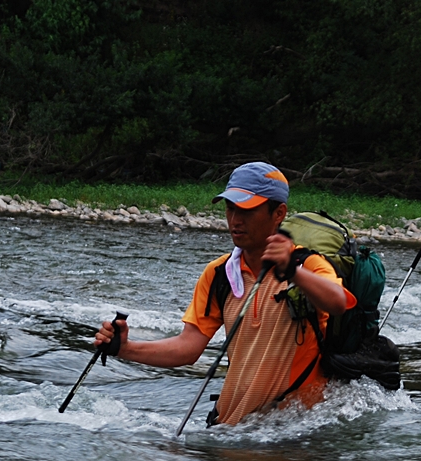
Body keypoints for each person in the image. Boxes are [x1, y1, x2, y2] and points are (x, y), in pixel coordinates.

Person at [94, 161, 355, 426]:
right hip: (233, 429)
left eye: (247, 210)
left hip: (294, 432)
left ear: (278, 213)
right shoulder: (220, 274)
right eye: (230, 209)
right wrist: (125, 348)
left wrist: (291, 271)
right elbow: (188, 348)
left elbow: (337, 302)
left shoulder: (307, 265)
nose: (235, 220)